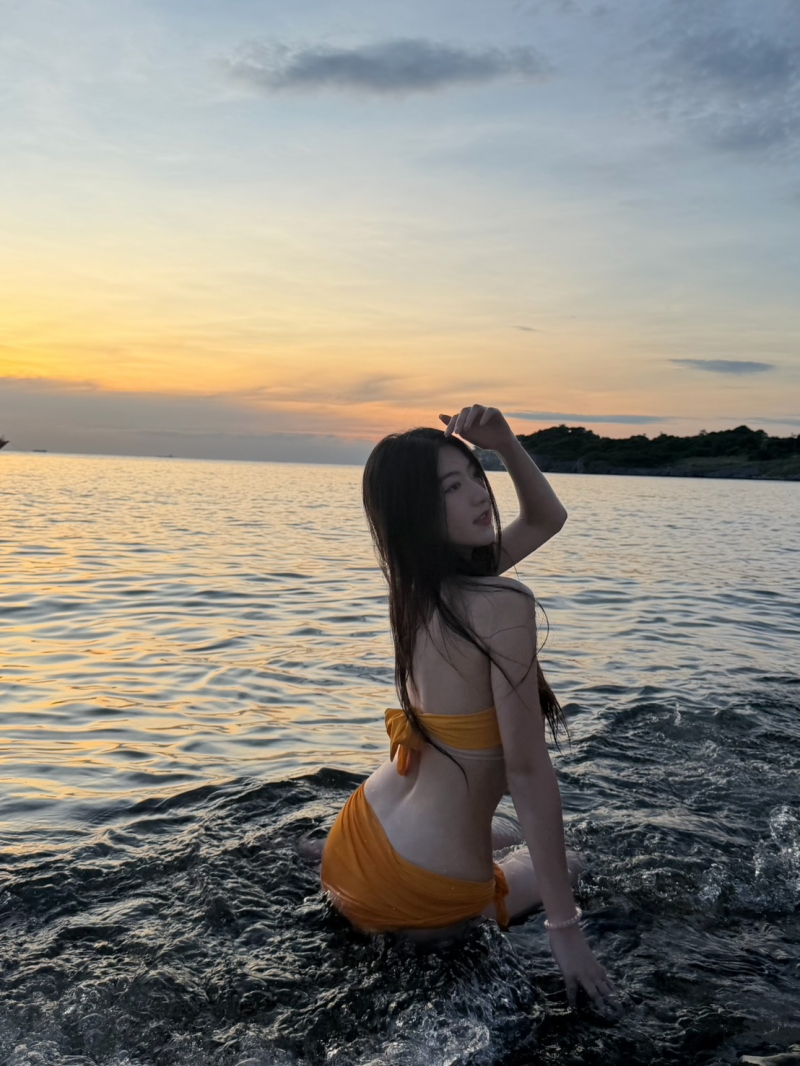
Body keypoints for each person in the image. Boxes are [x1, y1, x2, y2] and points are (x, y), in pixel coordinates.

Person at [320, 404, 616, 1011]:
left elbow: (547, 518)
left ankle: (311, 854)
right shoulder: (502, 604)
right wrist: (565, 929)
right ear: (418, 513)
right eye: (450, 489)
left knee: (507, 832)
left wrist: (502, 442)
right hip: (419, 895)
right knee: (573, 859)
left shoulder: (414, 589)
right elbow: (527, 771)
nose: (480, 494)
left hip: (350, 846)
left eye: (475, 475)